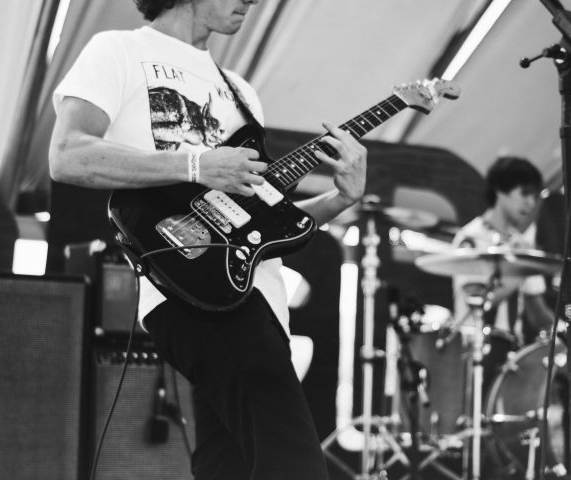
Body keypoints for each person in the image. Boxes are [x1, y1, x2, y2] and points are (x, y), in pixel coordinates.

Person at [48, 1, 367, 479]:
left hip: (258, 298)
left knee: (227, 467)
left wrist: (340, 199)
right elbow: (67, 154)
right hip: (189, 286)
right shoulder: (119, 50)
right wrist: (197, 164)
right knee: (294, 463)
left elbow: (261, 222)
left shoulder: (241, 92)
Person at [451, 156, 555, 372]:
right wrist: (521, 267)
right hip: (474, 350)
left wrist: (566, 331)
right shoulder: (470, 238)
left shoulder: (521, 244)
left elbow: (536, 310)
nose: (531, 203)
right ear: (500, 190)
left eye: (535, 196)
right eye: (524, 193)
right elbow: (478, 300)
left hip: (512, 353)